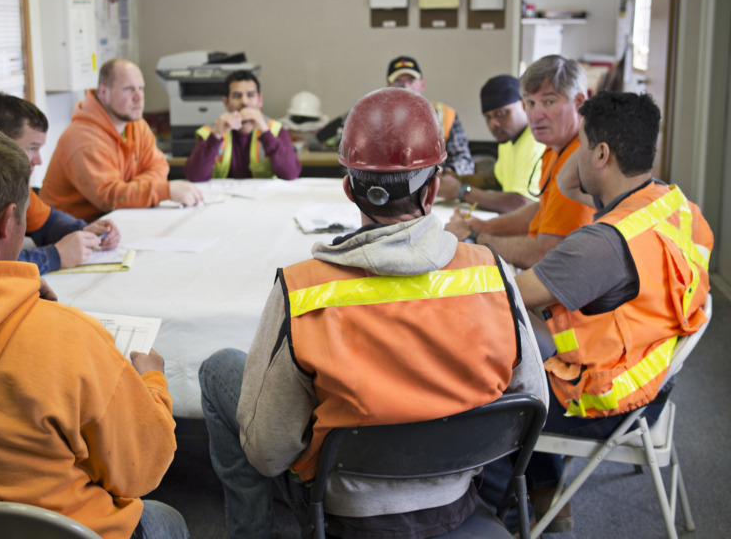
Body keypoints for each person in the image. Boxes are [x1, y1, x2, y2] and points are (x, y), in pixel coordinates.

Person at [199, 87, 547, 538]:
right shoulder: (492, 275)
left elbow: (268, 454)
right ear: (435, 188)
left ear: (348, 188)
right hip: (456, 500)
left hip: (341, 511)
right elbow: (531, 404)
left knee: (218, 369)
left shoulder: (301, 290)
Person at [483, 91, 714, 533]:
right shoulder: (670, 204)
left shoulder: (601, 244)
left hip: (606, 401)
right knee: (532, 349)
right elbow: (574, 185)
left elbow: (508, 293)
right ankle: (547, 494)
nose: (575, 153)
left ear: (602, 153)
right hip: (653, 377)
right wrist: (585, 135)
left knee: (489, 384)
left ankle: (498, 517)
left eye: (582, 144)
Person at [0, 125, 189, 539]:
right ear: (9, 221)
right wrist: (152, 380)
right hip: (68, 527)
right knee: (167, 519)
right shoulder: (71, 339)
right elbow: (142, 470)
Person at [445, 55, 595, 269]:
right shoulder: (556, 148)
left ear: (579, 102)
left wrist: (474, 237)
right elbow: (541, 209)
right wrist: (484, 226)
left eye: (549, 102)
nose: (536, 114)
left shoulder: (580, 160)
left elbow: (545, 254)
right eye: (531, 103)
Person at [40, 58, 203, 222]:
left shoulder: (136, 124)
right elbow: (111, 197)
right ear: (104, 92)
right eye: (129, 89)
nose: (139, 97)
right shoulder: (84, 138)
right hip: (71, 232)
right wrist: (165, 191)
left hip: (116, 220)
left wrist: (131, 190)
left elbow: (159, 167)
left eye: (141, 88)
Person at [0, 92, 121, 274]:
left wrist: (85, 230)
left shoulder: (14, 186)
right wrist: (55, 255)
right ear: (0, 144)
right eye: (32, 148)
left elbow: (47, 222)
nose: (38, 160)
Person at [438, 74, 546, 214]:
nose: (493, 123)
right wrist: (455, 178)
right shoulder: (508, 141)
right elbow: (495, 178)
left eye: (501, 113)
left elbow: (521, 203)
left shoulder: (536, 142)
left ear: (524, 105)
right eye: (488, 117)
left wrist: (460, 191)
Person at [184, 70, 301, 181]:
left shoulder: (275, 130)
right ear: (226, 102)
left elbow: (290, 174)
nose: (244, 102)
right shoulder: (210, 132)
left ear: (260, 100)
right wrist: (216, 135)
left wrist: (265, 132)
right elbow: (195, 176)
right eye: (236, 96)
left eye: (250, 95)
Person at [386, 55, 475, 176]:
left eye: (411, 81)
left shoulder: (445, 114)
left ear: (422, 84)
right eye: (398, 82)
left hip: (436, 187)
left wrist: (447, 173)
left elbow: (465, 162)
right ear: (388, 87)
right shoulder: (374, 118)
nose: (406, 87)